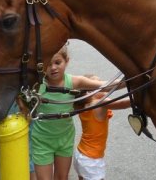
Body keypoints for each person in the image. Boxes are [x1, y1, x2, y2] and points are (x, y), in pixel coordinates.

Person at [30, 44, 114, 180]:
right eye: (48, 64)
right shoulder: (36, 84)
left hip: (65, 139)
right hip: (42, 141)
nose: (53, 68)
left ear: (66, 61)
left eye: (58, 62)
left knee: (62, 177)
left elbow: (105, 85)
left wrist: (133, 78)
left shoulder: (74, 81)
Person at [73, 76, 131, 180]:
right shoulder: (99, 103)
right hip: (91, 160)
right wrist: (141, 97)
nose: (104, 89)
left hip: (80, 155)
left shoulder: (83, 104)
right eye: (100, 87)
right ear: (89, 93)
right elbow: (122, 104)